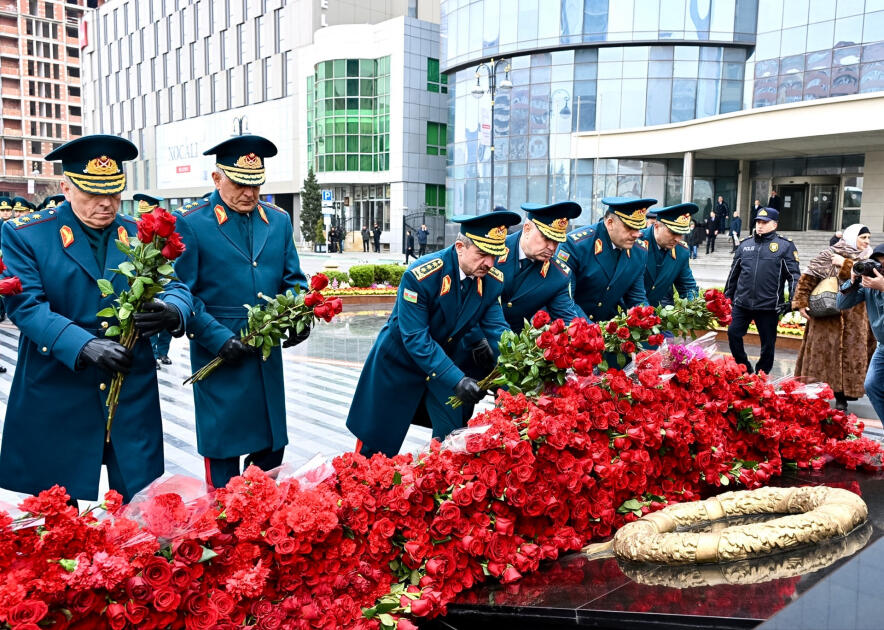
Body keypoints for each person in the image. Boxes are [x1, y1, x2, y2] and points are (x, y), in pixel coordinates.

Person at [0, 134, 192, 502]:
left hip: (129, 387)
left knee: (140, 507)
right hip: (60, 382)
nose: (106, 204)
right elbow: (26, 306)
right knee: (59, 512)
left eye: (114, 193)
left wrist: (171, 311)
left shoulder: (140, 233)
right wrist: (82, 344)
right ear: (66, 187)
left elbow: (178, 288)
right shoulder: (28, 233)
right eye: (92, 193)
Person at [175, 134, 309, 490]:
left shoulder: (277, 221)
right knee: (223, 456)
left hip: (265, 355)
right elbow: (182, 292)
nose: (249, 193)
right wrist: (218, 338)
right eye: (239, 183)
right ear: (217, 178)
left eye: (255, 184)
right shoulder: (192, 222)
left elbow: (293, 279)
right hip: (219, 353)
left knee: (270, 449)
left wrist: (299, 314)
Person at [346, 208, 520, 457]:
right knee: (374, 451)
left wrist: (520, 360)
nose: (489, 263)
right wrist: (457, 379)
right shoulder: (423, 275)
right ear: (460, 247)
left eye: (495, 255)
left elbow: (498, 329)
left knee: (452, 445)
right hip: (399, 365)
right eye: (483, 254)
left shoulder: (491, 279)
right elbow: (416, 338)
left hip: (442, 369)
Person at [792, 224, 876, 411]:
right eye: (863, 237)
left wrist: (845, 264)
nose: (867, 241)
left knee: (852, 357)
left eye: (869, 238)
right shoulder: (829, 254)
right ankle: (822, 395)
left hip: (857, 318)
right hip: (827, 318)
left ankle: (844, 395)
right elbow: (808, 278)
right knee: (823, 357)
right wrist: (800, 302)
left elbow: (864, 279)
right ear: (852, 237)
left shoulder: (870, 258)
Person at [725, 207, 800, 375]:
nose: (760, 225)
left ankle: (761, 374)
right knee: (733, 333)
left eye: (764, 223)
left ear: (774, 224)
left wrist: (793, 301)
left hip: (768, 306)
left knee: (768, 344)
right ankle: (744, 367)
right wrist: (726, 298)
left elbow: (794, 275)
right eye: (758, 222)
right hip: (742, 303)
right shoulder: (745, 245)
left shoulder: (784, 246)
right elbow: (733, 275)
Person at [556, 197, 653, 322]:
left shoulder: (639, 251)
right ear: (610, 223)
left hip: (607, 327)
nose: (637, 234)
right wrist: (592, 332)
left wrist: (649, 324)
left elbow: (637, 298)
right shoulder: (576, 245)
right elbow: (565, 301)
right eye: (630, 228)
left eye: (639, 228)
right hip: (571, 326)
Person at [837, 243, 884, 421]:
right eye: (876, 264)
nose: (878, 269)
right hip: (882, 347)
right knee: (872, 385)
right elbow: (841, 304)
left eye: (883, 265)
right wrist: (853, 281)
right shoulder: (868, 284)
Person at [134, 193, 174, 369]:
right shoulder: (134, 225)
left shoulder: (165, 226)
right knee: (148, 317)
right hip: (144, 276)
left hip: (163, 276)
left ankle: (162, 352)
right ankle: (153, 353)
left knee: (166, 319)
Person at [640, 203, 699, 307]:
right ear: (657, 226)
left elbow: (688, 287)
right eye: (673, 232)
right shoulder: (634, 242)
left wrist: (695, 308)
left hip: (654, 316)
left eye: (681, 233)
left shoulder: (681, 252)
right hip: (625, 314)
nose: (677, 239)